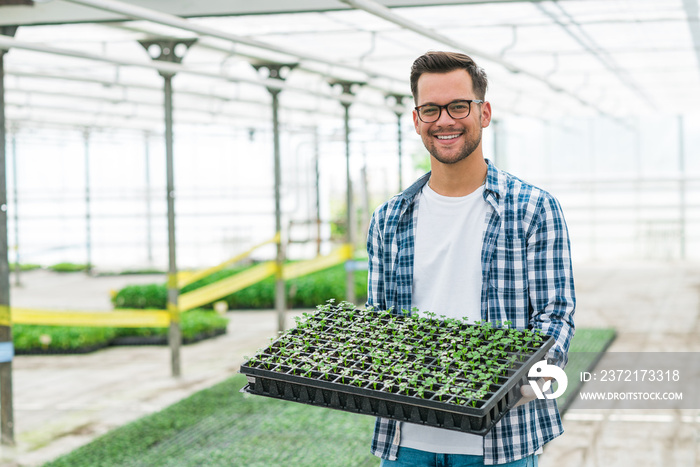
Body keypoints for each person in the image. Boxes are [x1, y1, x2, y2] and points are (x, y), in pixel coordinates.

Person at [365, 51, 576, 466]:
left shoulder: (533, 209)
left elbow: (556, 316)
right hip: (406, 440)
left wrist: (516, 386)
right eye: (430, 109)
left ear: (484, 113)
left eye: (458, 106)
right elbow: (379, 321)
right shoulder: (387, 219)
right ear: (416, 120)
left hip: (500, 442)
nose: (444, 120)